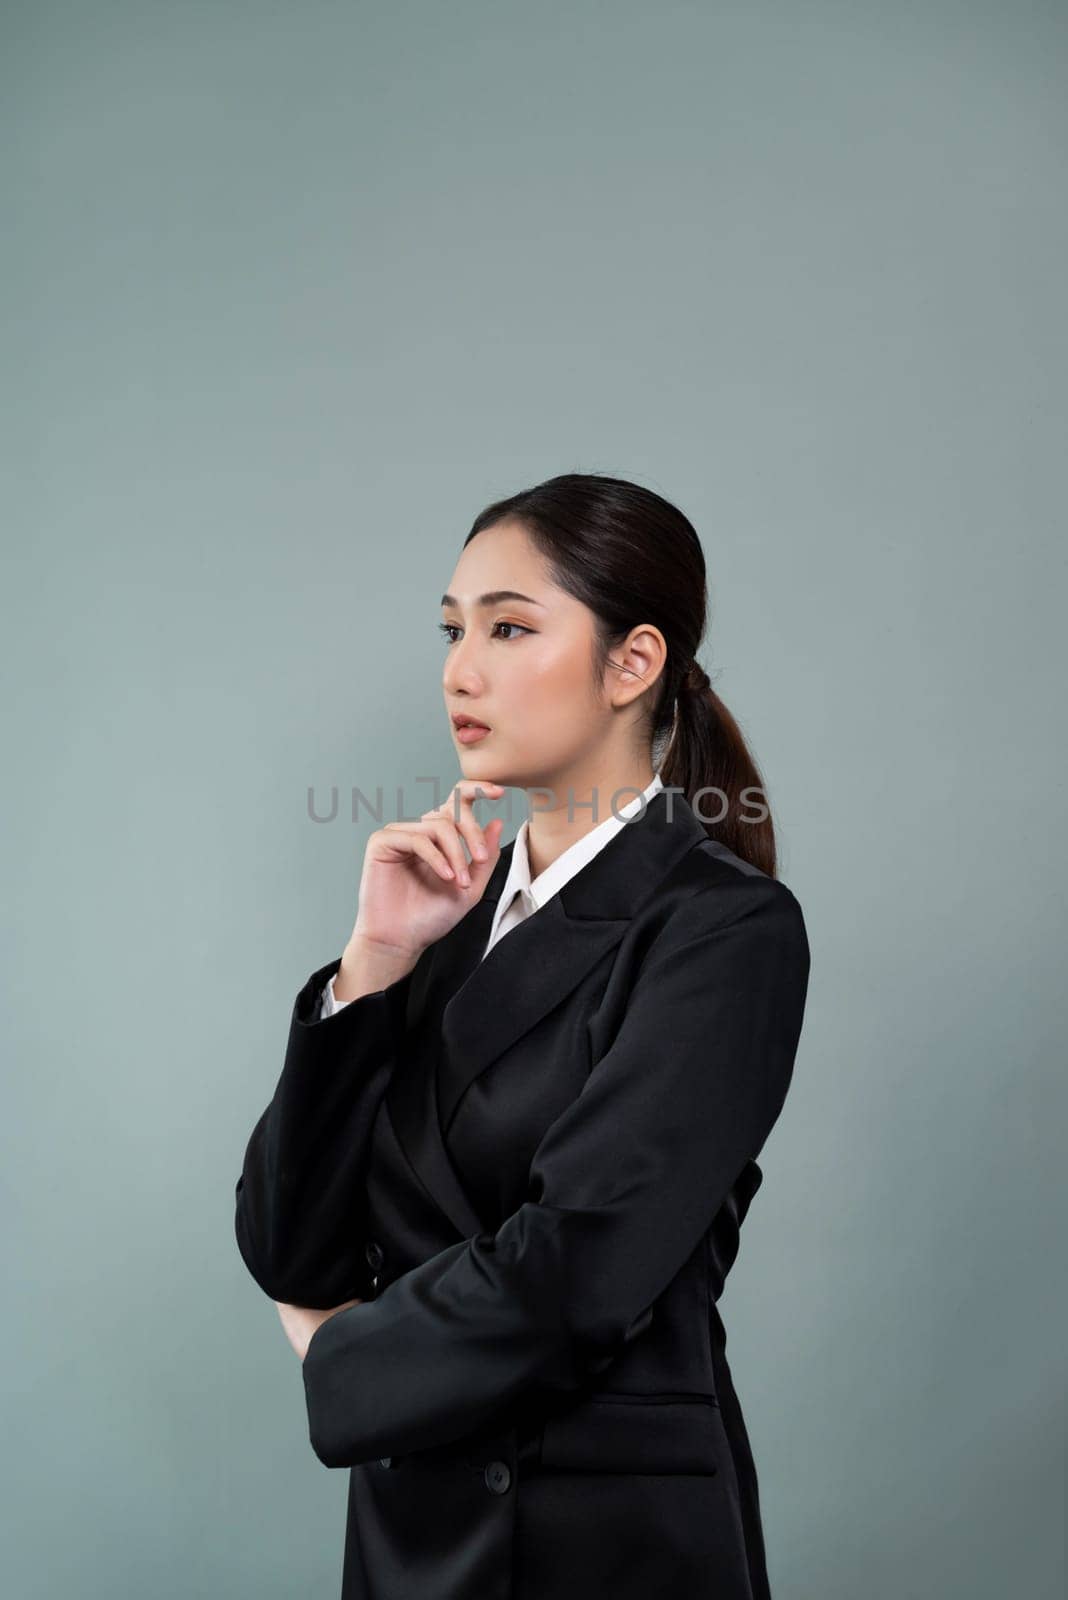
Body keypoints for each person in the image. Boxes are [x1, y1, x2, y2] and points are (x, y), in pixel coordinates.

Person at [234, 472, 811, 1600]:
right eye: (453, 630)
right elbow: (287, 1244)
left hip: (604, 1544)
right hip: (412, 1537)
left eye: (508, 627)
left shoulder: (721, 928)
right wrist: (373, 961)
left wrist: (335, 1351)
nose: (461, 668)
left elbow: (580, 1267)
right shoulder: (445, 922)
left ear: (632, 662)